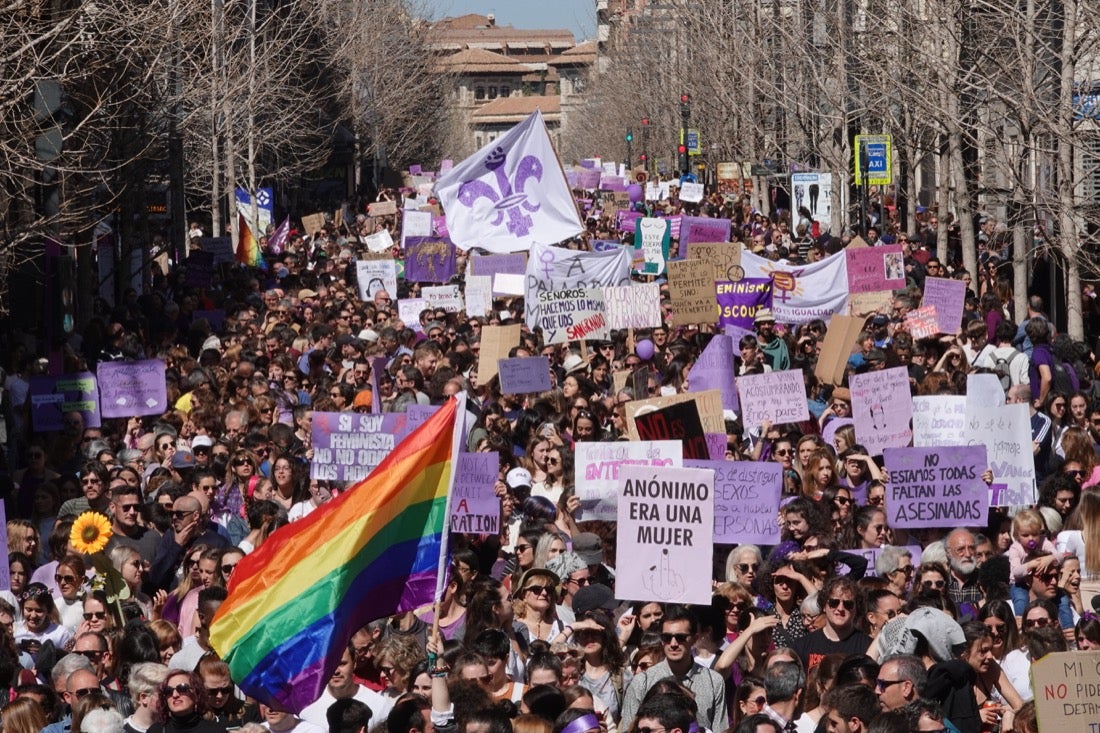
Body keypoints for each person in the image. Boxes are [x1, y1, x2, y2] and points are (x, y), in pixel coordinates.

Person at [619, 606, 728, 733]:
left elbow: (721, 730)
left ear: (694, 639)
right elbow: (629, 729)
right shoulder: (642, 682)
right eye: (667, 637)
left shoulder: (714, 681)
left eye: (681, 637)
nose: (673, 644)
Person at [300, 644, 394, 729]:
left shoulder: (379, 705)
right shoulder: (306, 706)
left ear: (354, 664)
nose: (336, 671)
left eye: (342, 664)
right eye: (330, 664)